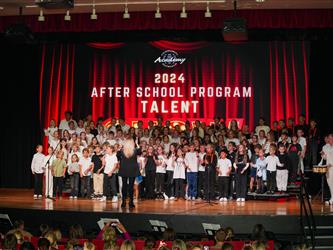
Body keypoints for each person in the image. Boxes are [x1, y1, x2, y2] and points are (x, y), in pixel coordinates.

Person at [118, 139, 140, 209]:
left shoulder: (122, 151)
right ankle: (131, 202)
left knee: (124, 186)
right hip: (132, 170)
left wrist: (120, 148)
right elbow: (140, 151)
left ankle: (123, 202)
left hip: (124, 169)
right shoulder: (135, 150)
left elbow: (117, 156)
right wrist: (137, 144)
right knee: (131, 186)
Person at [322, 134, 333, 205]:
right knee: (330, 183)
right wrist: (323, 155)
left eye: (330, 138)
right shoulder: (326, 147)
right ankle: (332, 197)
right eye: (328, 138)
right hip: (328, 168)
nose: (329, 140)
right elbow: (325, 158)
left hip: (332, 166)